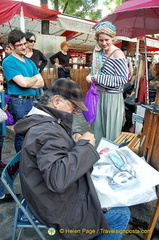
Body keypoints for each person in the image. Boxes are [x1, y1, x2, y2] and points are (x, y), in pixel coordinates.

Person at [14, 78, 130, 240]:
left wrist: (73, 140)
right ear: (56, 101)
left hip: (43, 194)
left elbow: (55, 153)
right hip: (53, 205)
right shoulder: (45, 131)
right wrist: (85, 146)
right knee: (121, 213)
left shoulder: (45, 122)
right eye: (73, 107)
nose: (75, 112)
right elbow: (58, 179)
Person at [86, 22, 128, 147]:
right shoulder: (98, 53)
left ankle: (110, 157)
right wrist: (90, 76)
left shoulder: (117, 53)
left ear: (113, 38)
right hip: (98, 95)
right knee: (97, 128)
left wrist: (97, 78)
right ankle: (98, 155)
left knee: (111, 130)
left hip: (112, 97)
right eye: (100, 40)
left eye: (107, 40)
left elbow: (122, 79)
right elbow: (94, 72)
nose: (103, 43)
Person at [2, 29, 44, 153]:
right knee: (22, 134)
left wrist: (29, 81)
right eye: (19, 45)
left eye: (25, 43)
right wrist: (34, 78)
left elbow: (41, 82)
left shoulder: (30, 62)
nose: (24, 47)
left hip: (33, 100)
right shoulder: (8, 62)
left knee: (34, 132)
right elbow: (23, 83)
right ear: (10, 46)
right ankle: (21, 163)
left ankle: (30, 160)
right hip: (18, 102)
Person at [25, 31, 48, 99]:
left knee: (40, 100)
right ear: (25, 41)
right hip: (25, 81)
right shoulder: (21, 54)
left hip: (37, 80)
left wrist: (39, 68)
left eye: (34, 41)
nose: (33, 43)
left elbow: (45, 61)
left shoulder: (37, 53)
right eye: (31, 41)